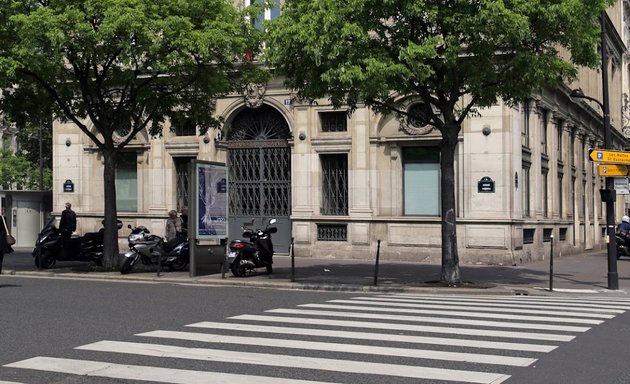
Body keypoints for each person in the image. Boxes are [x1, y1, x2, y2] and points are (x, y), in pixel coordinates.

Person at [0, 207, 15, 274]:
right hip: (2, 242)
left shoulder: (3, 218)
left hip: (1, 241)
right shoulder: (3, 218)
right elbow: (6, 229)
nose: (3, 211)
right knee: (0, 258)